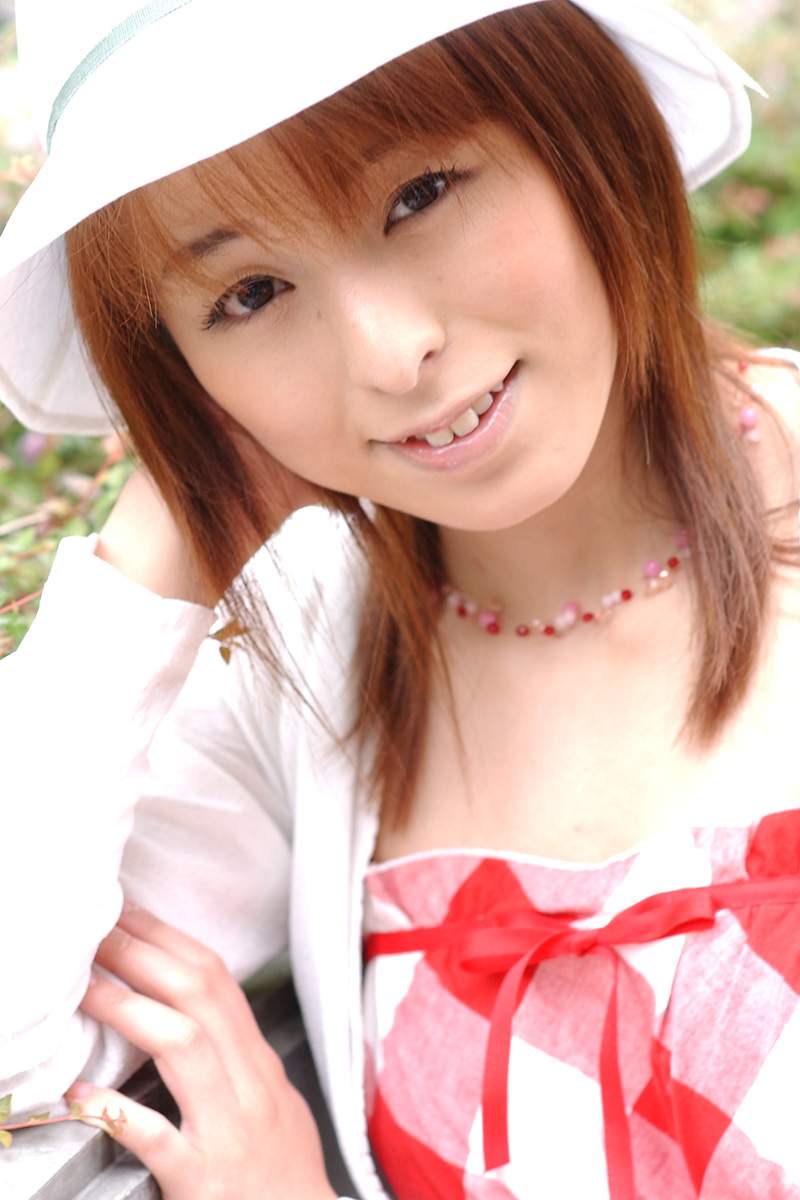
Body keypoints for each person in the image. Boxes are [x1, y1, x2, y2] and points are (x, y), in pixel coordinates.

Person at [1, 1, 800, 1196]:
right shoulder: (301, 659)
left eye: (419, 194)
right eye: (248, 295)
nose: (389, 352)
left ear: (575, 123)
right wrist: (164, 536)